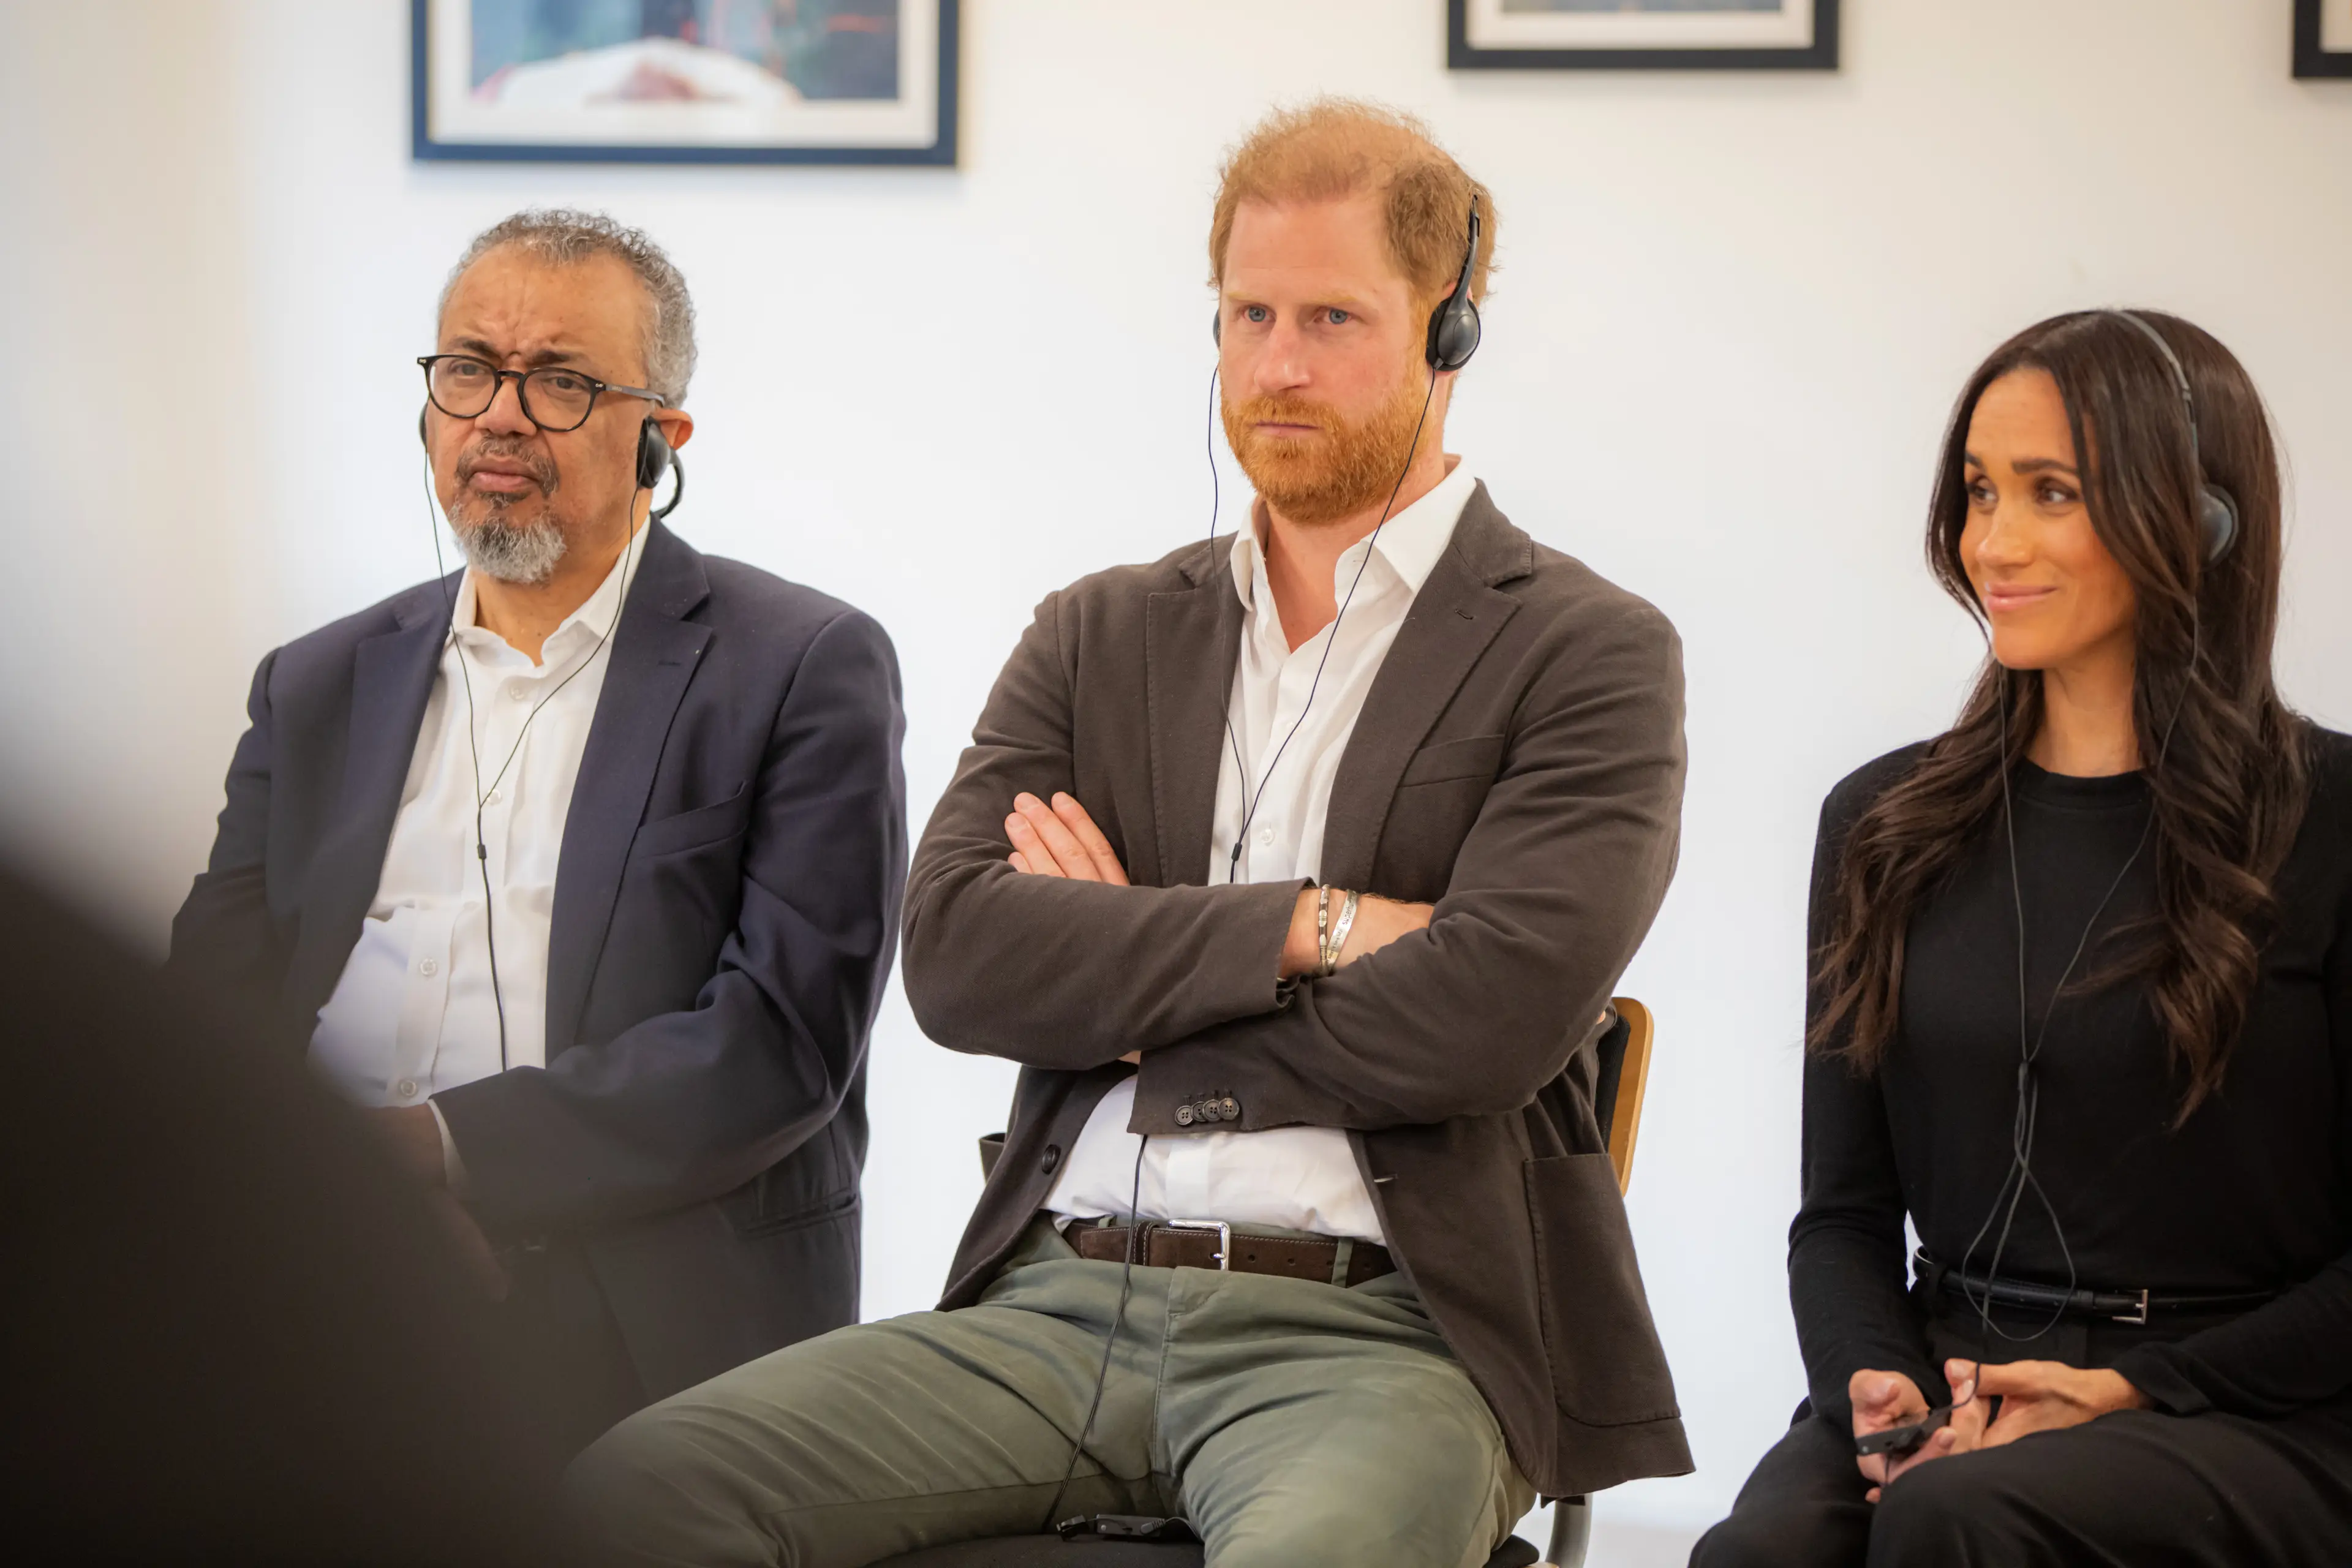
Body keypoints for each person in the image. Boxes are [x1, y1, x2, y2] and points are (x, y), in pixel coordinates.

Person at [568, 99, 1691, 1567]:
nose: (1276, 364)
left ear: (1448, 333)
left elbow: (1492, 1018)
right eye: (1248, 312)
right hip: (1054, 1298)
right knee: (626, 1490)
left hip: (1376, 1334)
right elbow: (963, 963)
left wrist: (1125, 996)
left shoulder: (1584, 648)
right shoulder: (1097, 632)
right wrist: (1313, 926)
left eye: (1334, 316)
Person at [170, 209, 908, 1464]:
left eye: (563, 380)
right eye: (469, 368)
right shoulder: (320, 680)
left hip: (636, 1292)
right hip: (321, 1262)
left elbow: (780, 1043)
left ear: (659, 440)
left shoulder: (799, 665)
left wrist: (441, 1158)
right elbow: (211, 1007)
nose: (501, 414)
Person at [1692, 310, 2352, 1566]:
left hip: (2256, 1408)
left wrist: (2130, 1389)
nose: (1991, 541)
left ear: (2200, 520)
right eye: (1979, 491)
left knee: (1961, 1519)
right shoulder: (1881, 824)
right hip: (1960, 1378)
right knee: (1761, 1552)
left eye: (2051, 492)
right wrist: (1873, 1386)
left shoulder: (2336, 821)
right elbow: (1839, 1214)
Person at [6, 861, 559, 1565]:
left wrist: (443, 1149)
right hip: (290, 1212)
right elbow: (212, 973)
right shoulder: (298, 745)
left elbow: (737, 1035)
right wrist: (351, 1196)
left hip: (575, 1229)